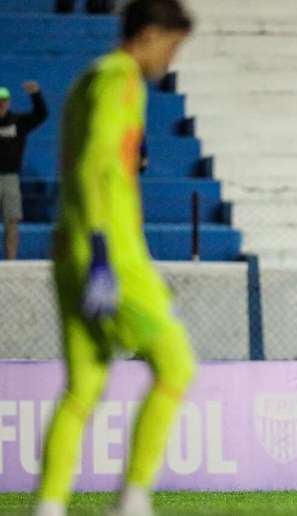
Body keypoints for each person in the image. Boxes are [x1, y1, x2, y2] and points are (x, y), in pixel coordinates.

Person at [35, 2, 194, 516]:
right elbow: (96, 164)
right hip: (110, 255)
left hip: (70, 247)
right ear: (148, 34)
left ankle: (49, 505)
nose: (171, 59)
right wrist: (103, 252)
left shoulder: (87, 79)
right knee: (175, 365)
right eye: (172, 45)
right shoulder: (121, 78)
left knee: (83, 387)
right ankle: (132, 498)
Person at [0, 81, 48, 260]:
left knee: (12, 221)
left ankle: (11, 262)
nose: (1, 104)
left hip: (10, 178)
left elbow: (41, 114)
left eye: (4, 100)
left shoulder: (18, 122)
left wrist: (36, 95)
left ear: (8, 102)